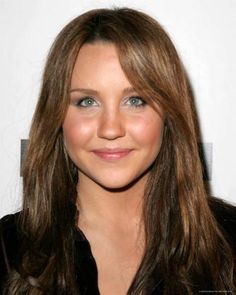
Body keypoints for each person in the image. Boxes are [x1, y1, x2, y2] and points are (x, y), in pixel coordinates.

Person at [0, 7, 235, 295]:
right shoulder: (8, 248)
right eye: (86, 102)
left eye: (135, 100)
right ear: (56, 117)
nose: (111, 129)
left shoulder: (229, 240)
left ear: (169, 115)